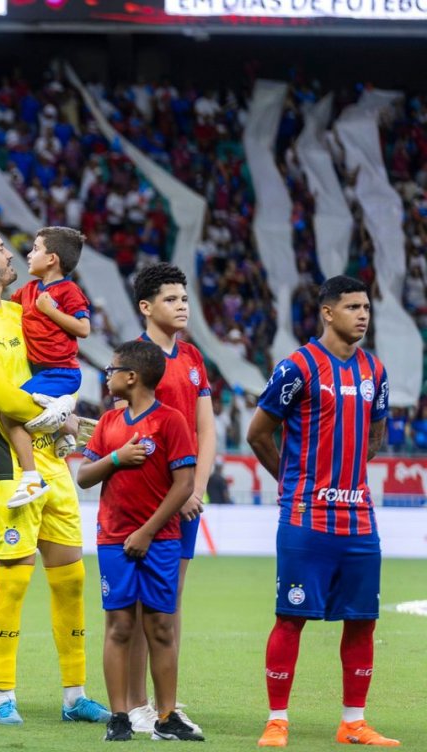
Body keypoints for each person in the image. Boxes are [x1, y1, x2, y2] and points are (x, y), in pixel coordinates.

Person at [0, 226, 104, 726]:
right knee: (12, 582)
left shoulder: (19, 311)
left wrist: (70, 412)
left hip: (51, 462)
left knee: (71, 579)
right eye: (0, 250)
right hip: (4, 467)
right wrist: (65, 419)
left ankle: (74, 696)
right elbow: (4, 398)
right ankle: (4, 695)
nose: (11, 256)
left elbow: (61, 361)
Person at [248, 275, 398, 747]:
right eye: (353, 307)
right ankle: (277, 720)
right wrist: (293, 482)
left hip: (359, 518)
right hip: (305, 517)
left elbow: (376, 433)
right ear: (328, 313)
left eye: (366, 307)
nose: (363, 315)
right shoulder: (298, 366)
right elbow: (258, 433)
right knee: (290, 617)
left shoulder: (375, 370)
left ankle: (353, 722)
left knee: (363, 619)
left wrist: (347, 477)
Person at [78, 341, 203, 742]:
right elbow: (84, 476)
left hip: (160, 541)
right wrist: (117, 458)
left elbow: (184, 484)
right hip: (113, 539)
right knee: (119, 626)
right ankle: (120, 717)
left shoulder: (171, 421)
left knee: (161, 627)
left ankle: (166, 716)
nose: (107, 376)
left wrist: (147, 531)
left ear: (131, 377)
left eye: (111, 370)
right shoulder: (108, 423)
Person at [126, 262, 216, 733]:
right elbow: (128, 431)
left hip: (187, 501)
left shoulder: (193, 357)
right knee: (139, 605)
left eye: (184, 298)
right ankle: (136, 703)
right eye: (171, 299)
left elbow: (206, 430)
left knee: (170, 601)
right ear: (146, 306)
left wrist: (195, 489)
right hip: (146, 501)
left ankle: (166, 701)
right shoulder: (132, 359)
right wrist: (177, 494)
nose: (182, 306)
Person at [3, 228, 92, 506]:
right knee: (22, 411)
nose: (29, 254)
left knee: (9, 413)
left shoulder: (68, 291)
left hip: (61, 373)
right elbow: (6, 310)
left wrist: (51, 311)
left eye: (35, 249)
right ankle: (67, 426)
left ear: (52, 258)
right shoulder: (29, 290)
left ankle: (31, 478)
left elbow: (84, 328)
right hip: (40, 372)